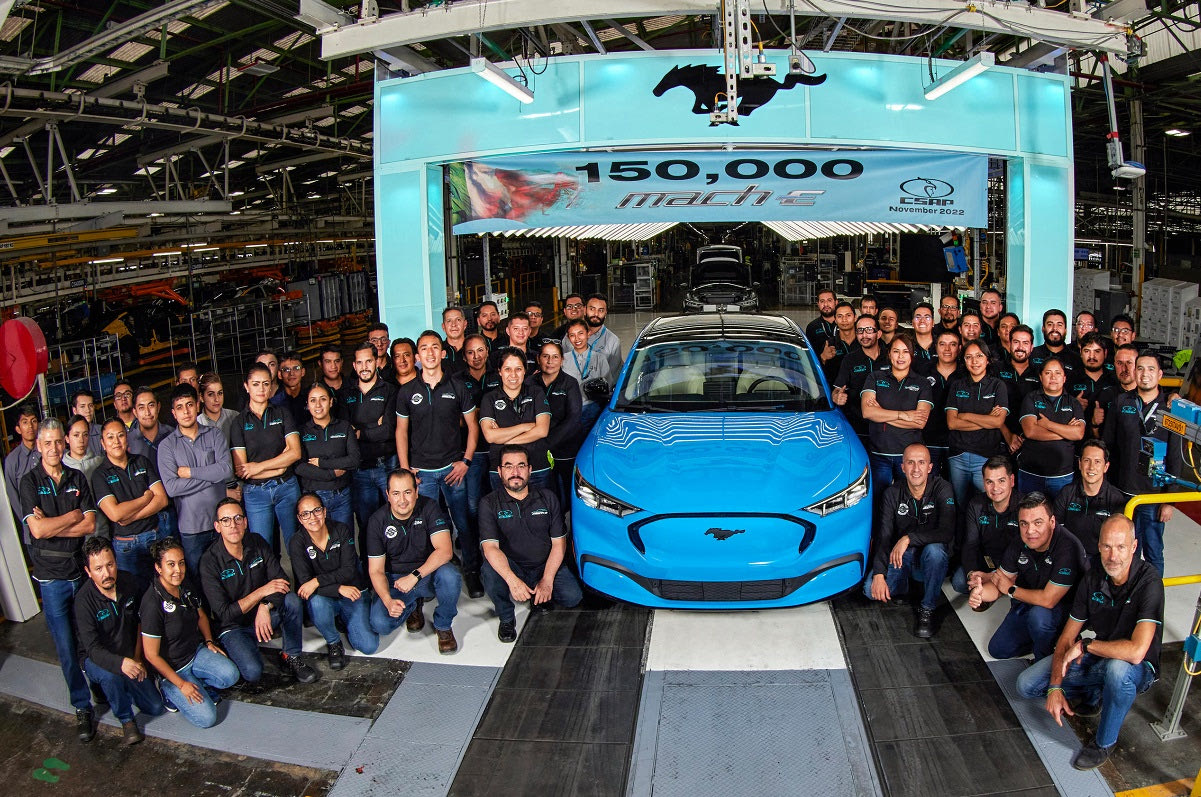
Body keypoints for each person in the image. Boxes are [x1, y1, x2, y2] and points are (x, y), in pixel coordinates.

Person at [1015, 515, 1162, 771]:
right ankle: (1095, 693)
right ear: (1099, 546)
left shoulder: (1150, 582)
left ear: (1134, 547)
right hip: (1101, 657)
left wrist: (1086, 646)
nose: (1113, 556)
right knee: (1026, 685)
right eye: (1107, 546)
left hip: (1136, 669)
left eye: (1120, 547)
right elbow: (1066, 638)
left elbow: (1137, 652)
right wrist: (1055, 688)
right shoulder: (1093, 578)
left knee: (1117, 671)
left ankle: (1104, 742)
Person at [19, 418, 98, 741]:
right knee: (65, 646)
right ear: (39, 446)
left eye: (57, 442)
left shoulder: (76, 477)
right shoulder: (29, 482)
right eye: (47, 443)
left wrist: (55, 523)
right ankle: (82, 705)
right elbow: (37, 531)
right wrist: (72, 516)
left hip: (79, 572)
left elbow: (90, 525)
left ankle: (100, 684)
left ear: (65, 443)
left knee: (89, 638)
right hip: (51, 580)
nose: (53, 448)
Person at [395, 330, 480, 596]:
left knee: (463, 523)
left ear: (443, 353)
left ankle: (472, 572)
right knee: (425, 527)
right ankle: (429, 578)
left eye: (435, 347)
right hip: (422, 474)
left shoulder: (458, 387)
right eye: (424, 348)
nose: (430, 353)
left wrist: (466, 461)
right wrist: (406, 470)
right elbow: (401, 431)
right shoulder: (407, 391)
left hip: (453, 470)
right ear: (417, 356)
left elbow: (473, 426)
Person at [199, 498, 318, 684]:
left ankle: (291, 656)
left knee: (292, 601)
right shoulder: (209, 561)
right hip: (233, 627)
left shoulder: (256, 542)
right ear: (217, 526)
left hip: (263, 616)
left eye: (238, 518)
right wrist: (262, 592)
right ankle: (239, 647)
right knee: (253, 673)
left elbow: (282, 581)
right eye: (226, 520)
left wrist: (265, 605)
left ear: (245, 522)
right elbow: (224, 613)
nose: (233, 525)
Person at [480, 445, 583, 642]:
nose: (515, 472)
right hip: (514, 567)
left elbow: (559, 544)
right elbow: (490, 548)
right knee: (489, 571)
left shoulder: (548, 498)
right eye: (508, 466)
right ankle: (506, 617)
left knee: (573, 597)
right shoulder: (489, 503)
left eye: (521, 466)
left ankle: (538, 593)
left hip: (543, 564)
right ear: (499, 471)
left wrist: (547, 580)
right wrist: (512, 580)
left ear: (530, 469)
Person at [967, 493, 1086, 661]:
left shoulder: (1068, 547)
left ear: (1052, 522)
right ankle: (1050, 638)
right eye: (1024, 523)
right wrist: (980, 594)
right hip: (1030, 601)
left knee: (1039, 616)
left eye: (1038, 523)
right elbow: (1001, 580)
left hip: (1065, 610)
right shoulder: (1020, 542)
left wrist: (1011, 589)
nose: (1030, 531)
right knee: (998, 649)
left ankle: (1045, 658)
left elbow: (1048, 600)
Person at [141, 537, 240, 728]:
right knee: (207, 719)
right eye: (171, 564)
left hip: (195, 652)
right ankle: (167, 690)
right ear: (158, 568)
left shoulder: (184, 585)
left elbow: (201, 615)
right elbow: (151, 655)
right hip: (173, 669)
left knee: (230, 675)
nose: (178, 570)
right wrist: (181, 684)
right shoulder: (152, 604)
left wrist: (209, 641)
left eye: (181, 563)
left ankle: (198, 682)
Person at [74, 536, 165, 745]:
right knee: (110, 677)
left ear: (116, 562)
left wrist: (137, 657)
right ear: (88, 571)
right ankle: (126, 719)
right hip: (96, 658)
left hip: (128, 653)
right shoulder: (83, 601)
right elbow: (92, 649)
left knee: (155, 707)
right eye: (98, 569)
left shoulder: (129, 582)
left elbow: (141, 622)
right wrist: (121, 664)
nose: (106, 573)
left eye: (110, 565)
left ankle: (118, 687)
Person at [862, 443, 954, 638]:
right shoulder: (892, 493)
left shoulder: (943, 488)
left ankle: (927, 608)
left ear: (930, 467)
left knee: (936, 551)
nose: (916, 469)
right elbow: (884, 536)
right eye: (910, 463)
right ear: (902, 467)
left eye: (921, 462)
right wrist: (879, 574)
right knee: (870, 591)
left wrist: (908, 538)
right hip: (902, 558)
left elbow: (946, 532)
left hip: (929, 559)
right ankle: (904, 586)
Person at [366, 470, 461, 654]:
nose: (402, 500)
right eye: (396, 493)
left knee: (450, 576)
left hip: (426, 573)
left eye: (407, 492)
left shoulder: (429, 507)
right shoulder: (377, 521)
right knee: (380, 624)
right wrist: (388, 601)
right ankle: (412, 605)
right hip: (396, 580)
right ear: (388, 495)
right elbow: (376, 571)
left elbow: (445, 551)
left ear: (416, 492)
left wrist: (415, 576)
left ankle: (443, 625)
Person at [1101, 351, 1179, 575]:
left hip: (1153, 496)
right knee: (1123, 550)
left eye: (1151, 369)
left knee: (1153, 551)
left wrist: (1170, 500)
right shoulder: (1121, 402)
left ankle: (1152, 595)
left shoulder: (1170, 408)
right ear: (1135, 373)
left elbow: (1175, 455)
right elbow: (1108, 445)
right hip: (1122, 492)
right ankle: (1127, 592)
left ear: (1160, 374)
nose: (1145, 374)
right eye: (1140, 368)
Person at [289, 492, 378, 669]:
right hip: (327, 595)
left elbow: (349, 570)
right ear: (299, 519)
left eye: (316, 510)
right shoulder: (296, 542)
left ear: (324, 511)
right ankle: (333, 642)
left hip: (352, 591)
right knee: (317, 603)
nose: (312, 517)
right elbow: (306, 584)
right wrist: (337, 588)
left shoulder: (341, 530)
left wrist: (317, 581)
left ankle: (343, 617)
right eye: (305, 514)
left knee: (369, 646)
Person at [159, 384, 234, 576]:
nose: (186, 411)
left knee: (229, 574)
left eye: (190, 405)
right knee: (199, 579)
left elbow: (226, 470)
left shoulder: (214, 434)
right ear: (173, 413)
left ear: (198, 406)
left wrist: (191, 472)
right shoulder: (167, 446)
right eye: (180, 407)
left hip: (222, 523)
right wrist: (212, 477)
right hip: (191, 528)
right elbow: (172, 488)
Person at [231, 363, 302, 552]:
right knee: (262, 548)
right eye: (255, 384)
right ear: (246, 386)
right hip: (256, 493)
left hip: (286, 487)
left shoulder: (282, 413)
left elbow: (295, 453)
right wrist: (279, 466)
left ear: (271, 386)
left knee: (296, 544)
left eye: (265, 383)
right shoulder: (239, 422)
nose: (261, 389)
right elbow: (242, 470)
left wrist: (259, 467)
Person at [92, 418, 168, 593]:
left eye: (120, 435)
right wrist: (145, 498)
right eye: (110, 437)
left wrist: (131, 516)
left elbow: (162, 499)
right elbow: (115, 514)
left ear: (126, 437)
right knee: (133, 593)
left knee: (162, 589)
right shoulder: (100, 475)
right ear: (103, 443)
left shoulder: (142, 462)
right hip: (125, 545)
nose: (116, 441)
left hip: (154, 536)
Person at [861, 333, 932, 491]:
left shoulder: (922, 383)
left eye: (905, 352)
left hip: (909, 457)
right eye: (896, 351)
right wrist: (904, 415)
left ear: (912, 355)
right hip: (878, 454)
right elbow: (867, 412)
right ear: (889, 354)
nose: (900, 356)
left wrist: (880, 413)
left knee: (908, 498)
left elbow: (919, 422)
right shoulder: (875, 377)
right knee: (879, 499)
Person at [945, 340, 1010, 504]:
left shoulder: (998, 386)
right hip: (958, 456)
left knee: (988, 504)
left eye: (979, 356)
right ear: (964, 361)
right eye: (969, 357)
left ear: (988, 359)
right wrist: (987, 418)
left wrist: (965, 415)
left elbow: (998, 422)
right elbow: (952, 423)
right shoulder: (957, 385)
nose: (974, 361)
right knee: (958, 504)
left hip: (986, 457)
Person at [344, 342, 398, 535]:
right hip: (360, 469)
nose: (364, 367)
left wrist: (360, 431)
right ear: (354, 365)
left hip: (387, 465)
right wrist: (376, 425)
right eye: (360, 362)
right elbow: (346, 434)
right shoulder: (346, 394)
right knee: (367, 526)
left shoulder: (390, 390)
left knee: (397, 519)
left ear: (376, 362)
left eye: (368, 361)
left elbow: (389, 430)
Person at [480, 350, 553, 490]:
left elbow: (542, 430)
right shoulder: (489, 398)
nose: (513, 375)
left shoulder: (536, 392)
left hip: (536, 466)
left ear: (525, 370)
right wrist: (525, 427)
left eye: (518, 369)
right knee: (504, 504)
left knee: (540, 503)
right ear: (500, 371)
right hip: (501, 470)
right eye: (507, 369)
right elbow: (490, 436)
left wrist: (504, 440)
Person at [1017, 357, 1085, 498]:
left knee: (1060, 512)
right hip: (1031, 474)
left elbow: (1079, 433)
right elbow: (1030, 431)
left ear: (1064, 378)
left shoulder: (1074, 403)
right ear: (1041, 377)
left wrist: (1048, 424)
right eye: (1048, 373)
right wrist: (1066, 432)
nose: (1053, 377)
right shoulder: (1031, 398)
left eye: (1057, 373)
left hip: (1062, 476)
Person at [1054, 439, 1127, 570]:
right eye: (1087, 460)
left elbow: (1118, 543)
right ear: (1080, 464)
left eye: (1097, 462)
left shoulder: (1116, 500)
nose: (1091, 467)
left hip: (1102, 562)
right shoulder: (1066, 493)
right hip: (1070, 558)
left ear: (1106, 467)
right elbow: (1056, 532)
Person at [954, 456, 1021, 595]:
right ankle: (989, 589)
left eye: (1001, 481)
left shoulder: (1024, 506)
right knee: (960, 582)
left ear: (1012, 480)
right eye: (989, 482)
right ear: (984, 483)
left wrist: (994, 576)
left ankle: (995, 589)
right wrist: (972, 574)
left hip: (1014, 567)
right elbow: (970, 544)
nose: (995, 488)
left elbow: (1026, 552)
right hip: (987, 560)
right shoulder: (976, 504)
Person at [296, 382, 359, 527]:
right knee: (317, 539)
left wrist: (321, 463)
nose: (318, 405)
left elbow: (354, 460)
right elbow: (300, 466)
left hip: (341, 496)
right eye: (313, 400)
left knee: (344, 537)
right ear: (307, 405)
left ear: (331, 402)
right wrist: (331, 474)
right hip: (313, 499)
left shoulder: (344, 427)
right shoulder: (302, 431)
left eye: (323, 399)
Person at [532, 340, 583, 506]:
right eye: (545, 356)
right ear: (538, 358)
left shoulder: (570, 383)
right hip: (536, 446)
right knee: (542, 493)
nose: (550, 361)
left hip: (565, 447)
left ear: (562, 360)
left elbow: (574, 418)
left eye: (555, 357)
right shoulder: (529, 383)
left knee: (568, 492)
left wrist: (548, 442)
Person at [127, 386, 177, 539]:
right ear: (135, 412)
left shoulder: (173, 434)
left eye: (151, 405)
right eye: (141, 408)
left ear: (158, 407)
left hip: (174, 509)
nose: (147, 412)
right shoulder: (128, 441)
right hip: (145, 515)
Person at [832, 314, 887, 448]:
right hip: (858, 428)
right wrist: (836, 397)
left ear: (879, 334)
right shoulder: (849, 359)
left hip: (888, 427)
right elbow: (837, 389)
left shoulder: (891, 356)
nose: (864, 335)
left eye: (869, 330)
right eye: (860, 331)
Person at [924, 329, 964, 476]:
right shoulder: (923, 372)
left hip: (958, 444)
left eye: (952, 344)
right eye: (942, 344)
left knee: (956, 487)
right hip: (928, 441)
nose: (947, 349)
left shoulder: (966, 374)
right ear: (936, 347)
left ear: (959, 348)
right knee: (929, 485)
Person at [561, 318, 613, 431]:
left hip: (594, 410)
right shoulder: (563, 360)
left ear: (588, 334)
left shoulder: (600, 358)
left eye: (580, 333)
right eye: (572, 335)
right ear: (568, 337)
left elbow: (608, 385)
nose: (577, 339)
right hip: (571, 411)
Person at [999, 324, 1042, 456]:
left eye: (1025, 343)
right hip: (1000, 439)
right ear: (1010, 344)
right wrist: (1008, 435)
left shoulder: (1040, 373)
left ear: (1032, 347)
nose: (1020, 347)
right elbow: (989, 405)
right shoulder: (996, 369)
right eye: (1016, 342)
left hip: (1031, 441)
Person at [1072, 332, 1118, 438]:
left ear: (1105, 353)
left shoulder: (1115, 380)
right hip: (1076, 441)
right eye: (1087, 351)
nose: (1092, 356)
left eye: (1097, 351)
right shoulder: (1069, 379)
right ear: (1080, 352)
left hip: (1107, 441)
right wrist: (1073, 407)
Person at [4, 404, 40, 527]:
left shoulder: (48, 452)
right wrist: (28, 522)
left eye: (33, 421)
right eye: (25, 422)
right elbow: (13, 496)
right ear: (18, 429)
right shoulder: (12, 460)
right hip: (30, 527)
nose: (30, 426)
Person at [1093, 343, 1138, 432]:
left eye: (1129, 363)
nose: (1124, 369)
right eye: (1119, 363)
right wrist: (1094, 424)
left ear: (1138, 365)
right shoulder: (1106, 395)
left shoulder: (1146, 395)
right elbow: (1098, 436)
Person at [1030, 309, 1083, 381]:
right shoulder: (1032, 355)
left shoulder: (1076, 360)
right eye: (1050, 324)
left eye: (1059, 325)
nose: (1054, 328)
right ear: (1043, 329)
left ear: (1066, 330)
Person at [580, 293, 624, 376]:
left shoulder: (613, 342)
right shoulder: (571, 336)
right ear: (585, 310)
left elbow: (613, 376)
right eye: (592, 309)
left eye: (601, 310)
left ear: (605, 313)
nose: (596, 314)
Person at [818, 301, 859, 382]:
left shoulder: (864, 341)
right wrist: (823, 358)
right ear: (835, 320)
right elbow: (817, 374)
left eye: (848, 315)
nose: (844, 319)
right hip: (836, 388)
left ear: (855, 318)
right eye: (840, 316)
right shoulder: (829, 344)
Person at [198, 372, 240, 443]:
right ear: (201, 397)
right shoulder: (197, 423)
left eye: (220, 393)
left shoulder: (235, 417)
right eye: (211, 394)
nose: (216, 399)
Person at [64, 414, 104, 484]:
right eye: (76, 435)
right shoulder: (62, 467)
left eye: (85, 435)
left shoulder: (100, 462)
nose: (81, 440)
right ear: (67, 438)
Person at [277, 351, 309, 427]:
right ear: (279, 374)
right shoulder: (275, 404)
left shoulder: (312, 398)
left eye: (296, 368)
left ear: (303, 372)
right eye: (286, 370)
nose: (291, 373)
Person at [70, 389, 105, 456]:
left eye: (90, 406)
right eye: (82, 406)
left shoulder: (102, 431)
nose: (88, 410)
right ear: (74, 410)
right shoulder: (70, 434)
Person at [316, 346, 348, 418]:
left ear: (342, 362)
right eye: (328, 361)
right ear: (320, 363)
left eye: (337, 361)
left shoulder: (355, 386)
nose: (333, 366)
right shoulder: (314, 391)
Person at [805, 288, 837, 353]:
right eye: (822, 301)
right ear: (818, 304)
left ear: (836, 302)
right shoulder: (812, 327)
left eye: (829, 300)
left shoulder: (844, 323)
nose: (826, 304)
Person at [909, 302, 936, 375]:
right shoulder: (906, 345)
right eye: (918, 317)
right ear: (912, 323)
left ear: (933, 322)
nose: (922, 321)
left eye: (927, 317)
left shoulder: (942, 344)